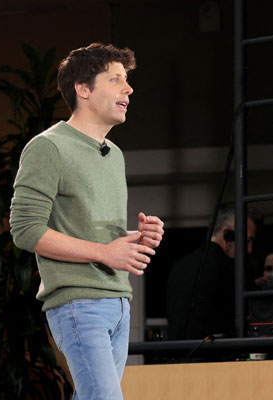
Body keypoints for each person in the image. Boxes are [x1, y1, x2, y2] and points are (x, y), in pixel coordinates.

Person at [9, 43, 165, 399]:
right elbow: (25, 229)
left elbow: (89, 233)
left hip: (119, 305)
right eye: (115, 80)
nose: (128, 89)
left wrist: (134, 239)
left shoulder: (114, 155)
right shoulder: (48, 147)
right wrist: (105, 253)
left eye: (127, 81)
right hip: (79, 305)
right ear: (83, 88)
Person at [166, 204, 257, 340]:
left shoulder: (179, 266)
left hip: (176, 356)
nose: (249, 249)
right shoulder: (229, 269)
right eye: (248, 240)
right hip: (214, 356)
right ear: (227, 234)